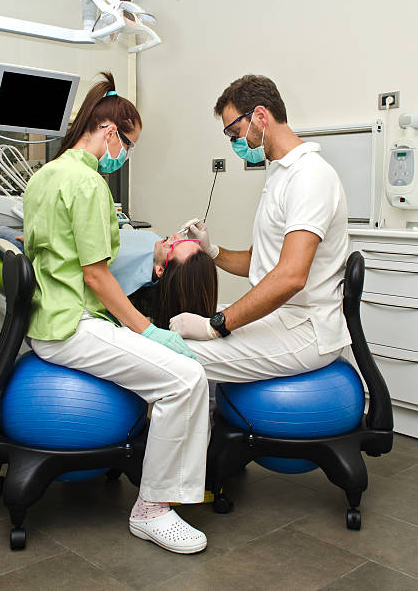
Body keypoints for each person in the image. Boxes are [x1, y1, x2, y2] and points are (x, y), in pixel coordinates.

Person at [23, 71, 210, 555]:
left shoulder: (44, 175)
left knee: (179, 375)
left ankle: (160, 499)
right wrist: (150, 330)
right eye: (127, 143)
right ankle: (152, 509)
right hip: (71, 327)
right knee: (187, 378)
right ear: (109, 132)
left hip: (51, 321)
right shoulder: (87, 184)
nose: (125, 154)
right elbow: (98, 277)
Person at [170, 74, 351, 385]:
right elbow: (262, 262)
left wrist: (216, 325)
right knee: (173, 331)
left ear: (261, 116)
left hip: (305, 329)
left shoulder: (310, 177)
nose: (235, 144)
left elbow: (291, 276)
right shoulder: (280, 174)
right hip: (282, 317)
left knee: (172, 356)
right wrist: (211, 251)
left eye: (235, 132)